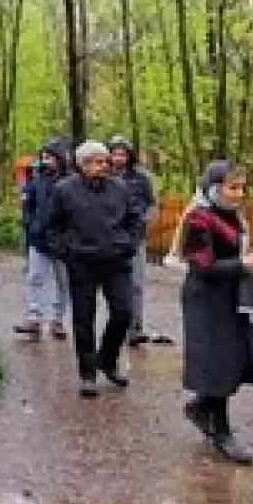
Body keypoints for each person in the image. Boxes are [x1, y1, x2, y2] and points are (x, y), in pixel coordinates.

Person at [180, 161, 253, 466]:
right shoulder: (198, 219)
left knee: (235, 358)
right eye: (232, 187)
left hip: (233, 295)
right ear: (214, 188)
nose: (238, 193)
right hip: (206, 300)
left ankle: (200, 407)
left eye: (241, 187)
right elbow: (201, 265)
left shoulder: (232, 216)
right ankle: (221, 431)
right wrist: (242, 265)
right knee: (218, 363)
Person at [42, 140, 144, 398]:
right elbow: (52, 227)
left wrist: (129, 245)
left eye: (104, 161)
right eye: (97, 162)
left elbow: (135, 220)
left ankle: (107, 360)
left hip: (116, 261)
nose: (103, 166)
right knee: (83, 319)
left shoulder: (120, 188)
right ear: (83, 164)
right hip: (82, 263)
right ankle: (87, 374)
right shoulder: (64, 190)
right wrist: (67, 252)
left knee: (123, 312)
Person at [16, 140, 72, 341]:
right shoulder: (37, 180)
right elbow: (28, 205)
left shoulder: (70, 182)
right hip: (39, 239)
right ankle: (34, 319)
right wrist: (31, 225)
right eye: (44, 157)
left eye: (50, 157)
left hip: (63, 242)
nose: (46, 161)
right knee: (34, 278)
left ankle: (58, 320)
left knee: (63, 282)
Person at [108, 136, 159, 346]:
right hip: (110, 239)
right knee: (114, 286)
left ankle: (136, 328)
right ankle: (117, 326)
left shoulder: (142, 177)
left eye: (123, 153)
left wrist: (144, 224)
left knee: (136, 284)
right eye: (115, 153)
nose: (119, 158)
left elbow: (153, 205)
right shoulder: (104, 176)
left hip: (135, 238)